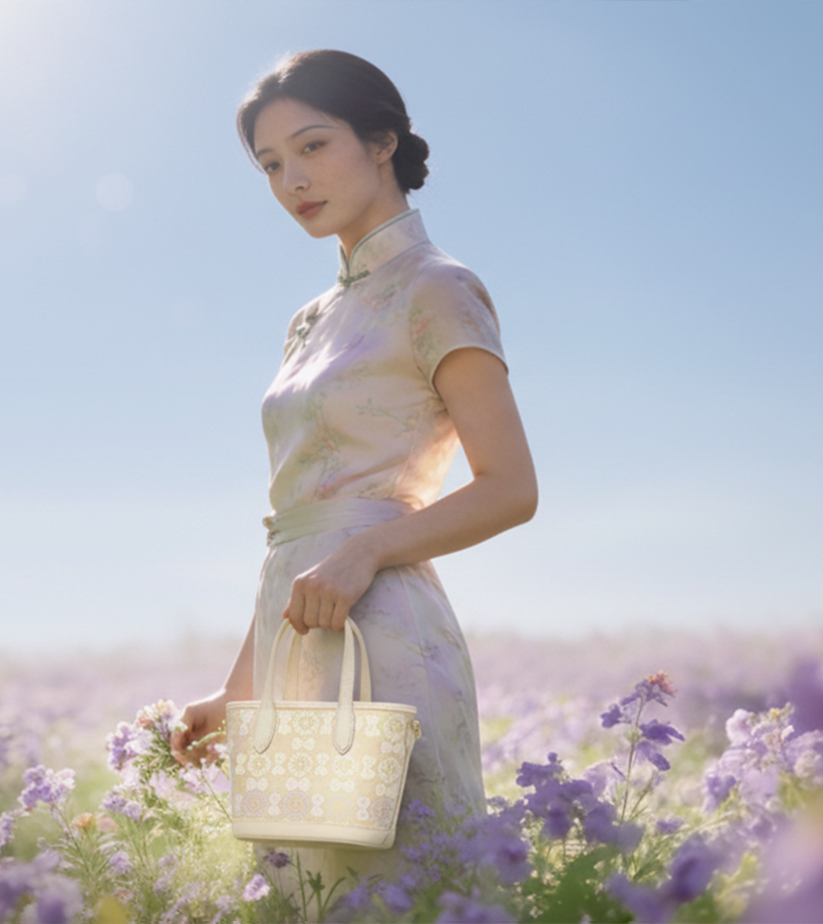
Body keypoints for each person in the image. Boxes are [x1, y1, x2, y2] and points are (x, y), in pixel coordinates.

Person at [170, 49, 538, 896]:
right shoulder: (310, 319)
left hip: (384, 633)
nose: (292, 179)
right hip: (299, 622)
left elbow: (511, 487)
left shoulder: (438, 287)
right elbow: (300, 522)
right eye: (270, 164)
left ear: (382, 141)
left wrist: (367, 554)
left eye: (312, 146)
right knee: (307, 892)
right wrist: (239, 689)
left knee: (402, 890)